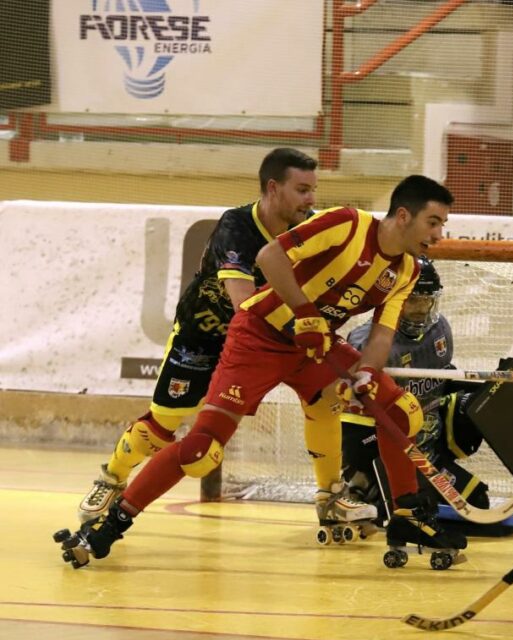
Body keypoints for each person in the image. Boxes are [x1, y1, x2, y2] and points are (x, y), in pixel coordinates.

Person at [57, 175, 466, 570]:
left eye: (442, 224)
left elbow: (382, 334)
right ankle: (110, 526)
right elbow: (269, 257)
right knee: (202, 451)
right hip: (260, 337)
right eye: (433, 222)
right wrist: (304, 312)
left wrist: (369, 373)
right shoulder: (347, 223)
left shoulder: (408, 270)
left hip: (314, 345)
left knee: (400, 409)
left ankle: (406, 514)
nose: (439, 233)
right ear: (402, 215)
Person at [73, 147, 373, 534]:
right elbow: (244, 304)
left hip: (271, 342)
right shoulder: (236, 226)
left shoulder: (313, 229)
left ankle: (330, 496)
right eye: (302, 190)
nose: (311, 199)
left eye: (314, 190)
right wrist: (307, 326)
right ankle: (112, 478)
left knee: (326, 395)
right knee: (163, 425)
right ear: (273, 188)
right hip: (206, 337)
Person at [340, 256, 513, 539]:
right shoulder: (367, 343)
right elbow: (353, 422)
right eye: (413, 301)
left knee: (498, 402)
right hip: (389, 448)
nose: (421, 310)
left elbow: (442, 379)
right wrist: (372, 467)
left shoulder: (439, 329)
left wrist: (500, 391)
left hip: (431, 437)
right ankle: (370, 491)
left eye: (427, 301)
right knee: (469, 510)